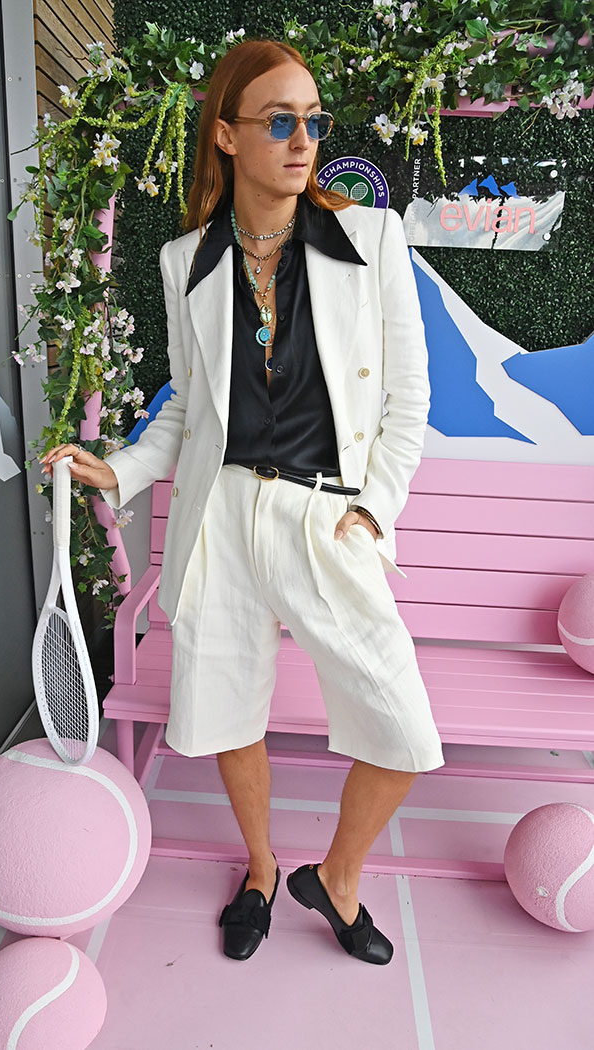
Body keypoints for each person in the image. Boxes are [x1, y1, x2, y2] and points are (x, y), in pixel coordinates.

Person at [41, 38, 445, 966]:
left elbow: (409, 397)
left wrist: (372, 511)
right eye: (279, 121)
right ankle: (261, 869)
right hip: (221, 516)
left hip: (324, 517)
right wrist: (119, 469)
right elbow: (190, 407)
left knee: (402, 728)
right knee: (228, 711)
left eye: (314, 121)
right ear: (226, 134)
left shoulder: (372, 239)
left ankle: (336, 878)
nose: (303, 141)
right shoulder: (186, 259)